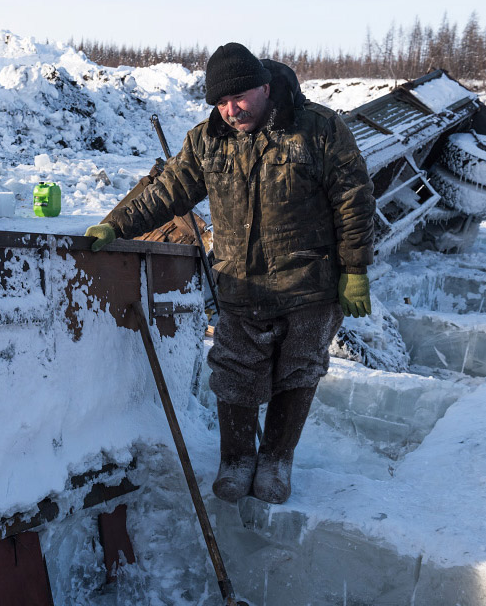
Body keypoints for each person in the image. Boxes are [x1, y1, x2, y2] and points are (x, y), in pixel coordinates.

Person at [85, 43, 375, 505]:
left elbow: (354, 200)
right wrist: (117, 223)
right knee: (235, 372)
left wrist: (355, 269)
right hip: (241, 285)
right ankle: (237, 460)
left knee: (298, 370)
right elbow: (169, 191)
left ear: (264, 86)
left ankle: (278, 460)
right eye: (220, 102)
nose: (230, 110)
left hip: (309, 284)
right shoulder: (208, 139)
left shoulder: (318, 130)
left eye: (238, 98)